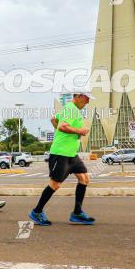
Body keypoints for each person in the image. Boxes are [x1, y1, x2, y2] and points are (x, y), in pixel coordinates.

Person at [29, 90, 95, 226]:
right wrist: (79, 131)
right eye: (86, 98)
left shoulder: (70, 109)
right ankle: (37, 211)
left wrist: (61, 133)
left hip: (71, 153)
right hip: (61, 153)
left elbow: (54, 120)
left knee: (84, 179)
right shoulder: (71, 109)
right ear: (78, 96)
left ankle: (77, 213)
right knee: (55, 184)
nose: (88, 101)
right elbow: (62, 125)